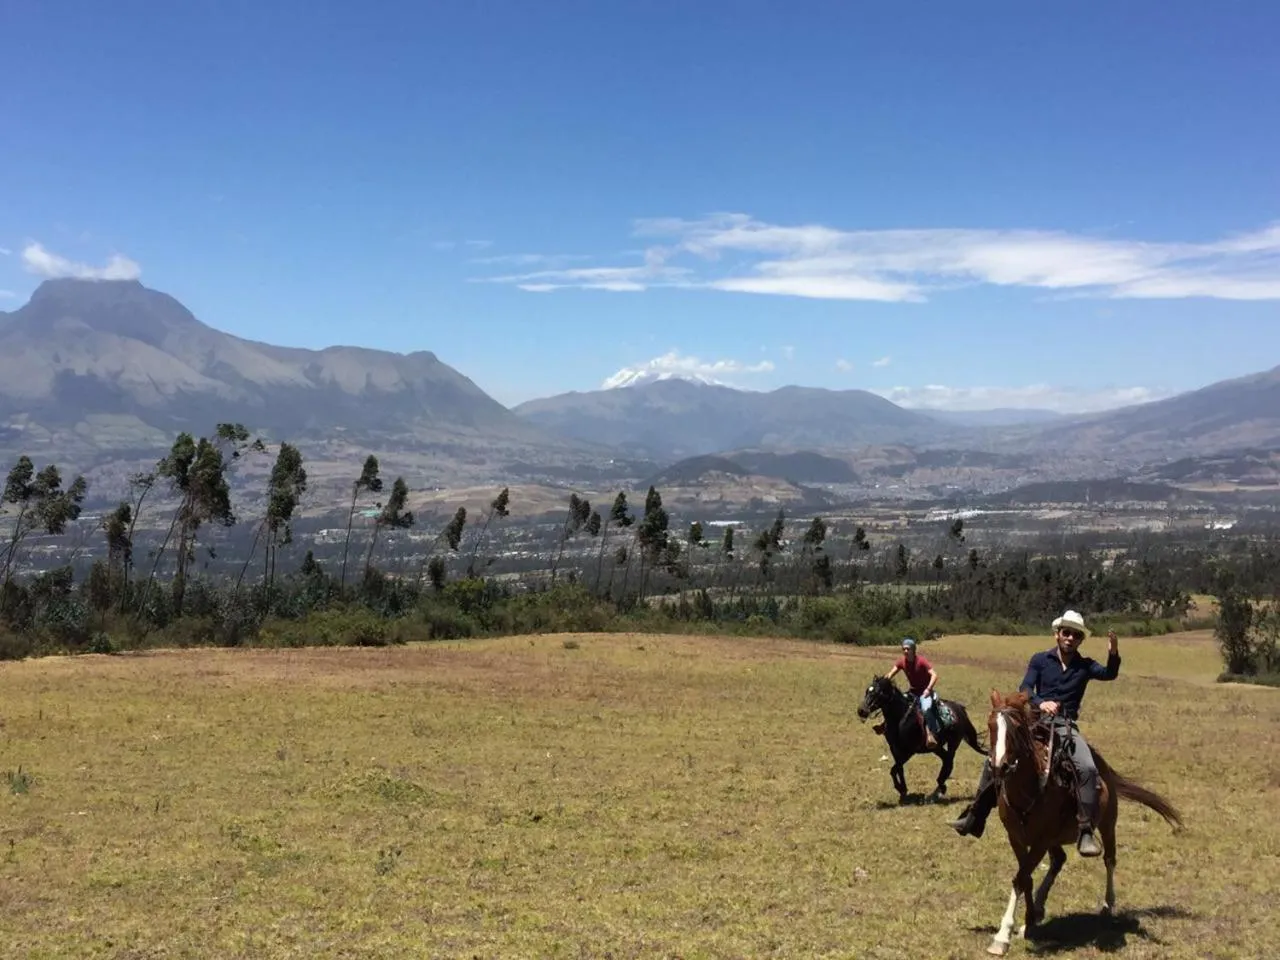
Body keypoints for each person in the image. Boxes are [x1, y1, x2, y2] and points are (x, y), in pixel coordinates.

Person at [946, 609, 1121, 857]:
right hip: (1035, 721)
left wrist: (1113, 651)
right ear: (1057, 635)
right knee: (995, 760)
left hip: (1065, 727)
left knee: (1087, 768)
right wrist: (1041, 703)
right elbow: (1026, 688)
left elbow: (1110, 673)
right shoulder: (1040, 660)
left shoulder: (1084, 666)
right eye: (1066, 633)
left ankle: (1085, 832)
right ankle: (975, 816)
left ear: (1080, 639)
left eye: (1076, 635)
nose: (1070, 638)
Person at [885, 637, 942, 748]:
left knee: (925, 709)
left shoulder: (921, 661)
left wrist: (928, 689)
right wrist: (883, 681)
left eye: (908, 649)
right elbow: (891, 673)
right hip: (912, 692)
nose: (906, 651)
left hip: (925, 693)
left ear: (913, 650)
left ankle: (931, 734)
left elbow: (934, 675)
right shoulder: (902, 661)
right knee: (895, 703)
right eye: (904, 649)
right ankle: (885, 725)